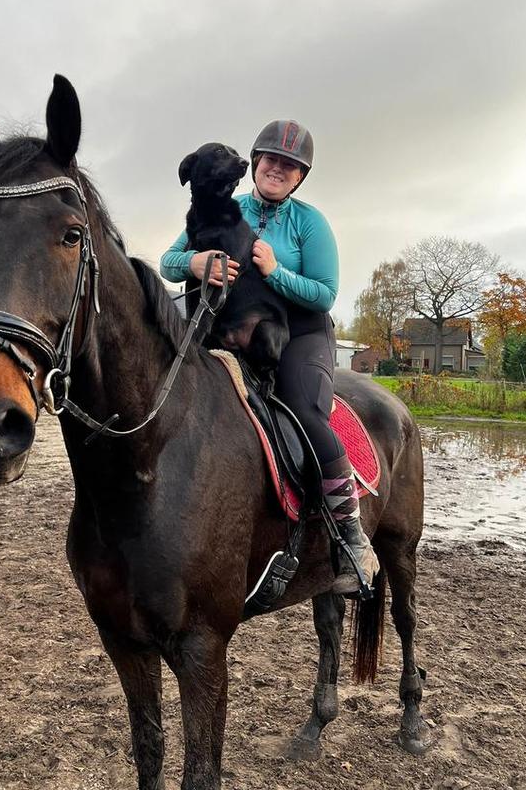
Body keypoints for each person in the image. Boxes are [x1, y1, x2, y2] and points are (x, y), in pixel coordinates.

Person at [160, 120, 379, 594]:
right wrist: (194, 264)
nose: (277, 169)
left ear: (300, 176)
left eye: (289, 165)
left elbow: (324, 294)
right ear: (255, 164)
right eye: (271, 160)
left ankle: (351, 536)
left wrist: (275, 271)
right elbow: (168, 261)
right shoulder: (226, 206)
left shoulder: (309, 223)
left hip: (297, 332)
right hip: (224, 327)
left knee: (304, 411)